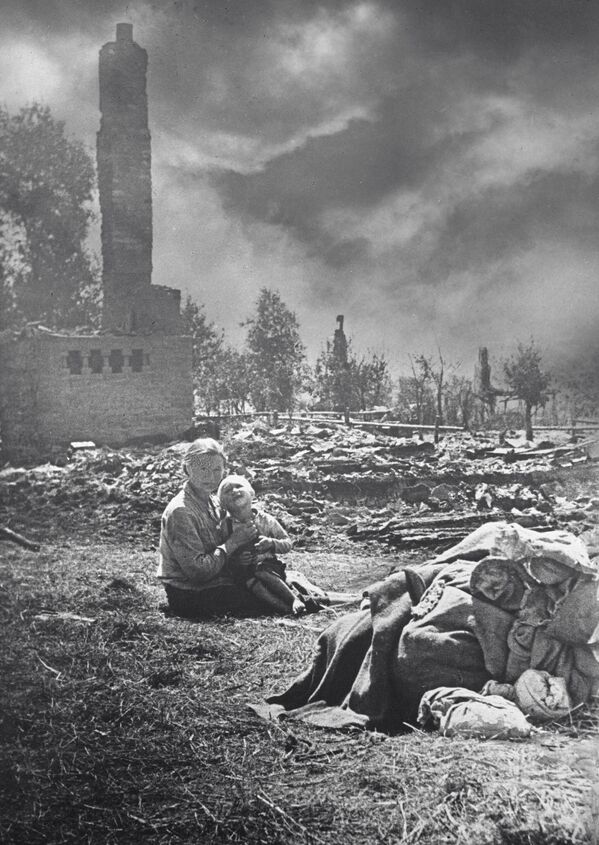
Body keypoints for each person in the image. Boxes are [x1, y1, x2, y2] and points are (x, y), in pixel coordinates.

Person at [157, 438, 267, 617]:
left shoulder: (214, 501)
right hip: (190, 593)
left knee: (271, 577)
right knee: (264, 598)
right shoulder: (181, 511)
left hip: (216, 581)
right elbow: (198, 572)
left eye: (217, 469)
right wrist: (234, 542)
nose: (210, 476)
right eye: (203, 469)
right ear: (187, 469)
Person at [217, 474, 306, 616]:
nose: (234, 491)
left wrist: (271, 543)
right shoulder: (225, 526)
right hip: (244, 571)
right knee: (250, 582)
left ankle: (293, 599)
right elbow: (222, 550)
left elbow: (287, 543)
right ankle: (283, 608)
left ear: (251, 493)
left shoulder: (266, 520)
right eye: (228, 491)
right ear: (223, 503)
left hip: (270, 567)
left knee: (261, 571)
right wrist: (237, 560)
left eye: (239, 486)